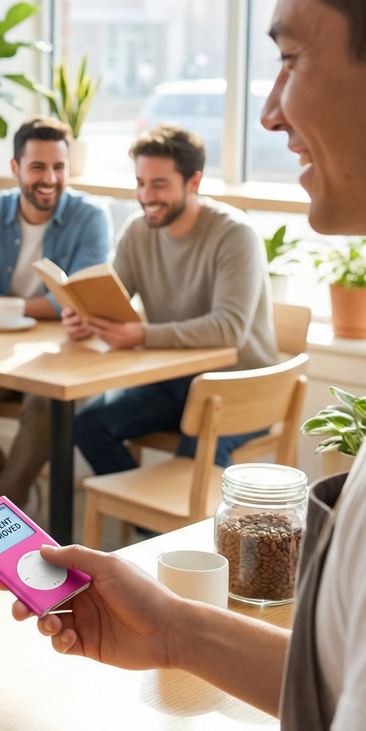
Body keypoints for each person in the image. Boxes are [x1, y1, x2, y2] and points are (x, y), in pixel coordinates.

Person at [13, 0, 366, 731]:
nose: (272, 108)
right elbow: (350, 698)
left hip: (218, 398)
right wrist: (176, 631)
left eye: (293, 59)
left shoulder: (225, 236)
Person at [68, 123, 277, 475]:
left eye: (159, 184)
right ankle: (150, 529)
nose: (146, 195)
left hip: (239, 386)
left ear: (193, 183)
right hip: (174, 380)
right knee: (89, 426)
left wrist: (143, 335)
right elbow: (114, 298)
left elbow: (228, 330)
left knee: (195, 454)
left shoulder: (234, 234)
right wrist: (84, 314)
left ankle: (186, 528)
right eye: (140, 183)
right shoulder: (138, 230)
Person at [0, 115, 109, 506]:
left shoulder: (90, 217)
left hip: (67, 357)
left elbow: (81, 298)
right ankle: (10, 494)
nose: (49, 178)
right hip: (2, 356)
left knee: (48, 404)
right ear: (16, 168)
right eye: (37, 167)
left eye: (58, 167)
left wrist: (5, 306)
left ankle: (0, 508)